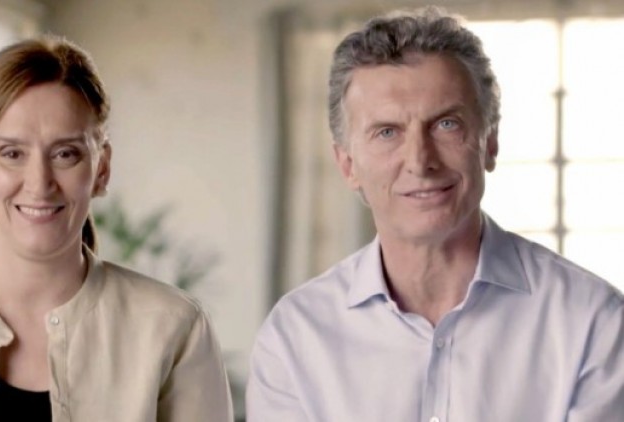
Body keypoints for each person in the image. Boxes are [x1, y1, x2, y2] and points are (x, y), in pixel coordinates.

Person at [247, 7, 624, 421]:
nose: (420, 161)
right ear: (348, 164)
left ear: (490, 143)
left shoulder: (592, 320)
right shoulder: (295, 336)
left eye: (446, 124)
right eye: (387, 132)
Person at [0, 35, 233, 421]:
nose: (39, 183)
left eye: (65, 154)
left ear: (102, 169)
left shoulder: (173, 329)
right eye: (12, 153)